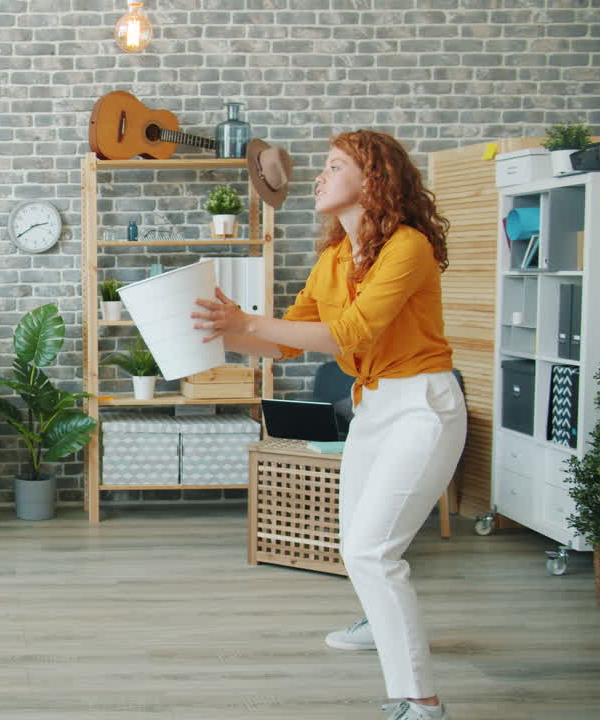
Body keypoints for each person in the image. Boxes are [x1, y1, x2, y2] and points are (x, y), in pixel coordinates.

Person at [192, 130, 466, 720]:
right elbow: (286, 341)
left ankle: (421, 702)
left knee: (372, 549)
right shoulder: (334, 260)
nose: (318, 177)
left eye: (335, 165)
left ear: (373, 180)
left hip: (422, 406)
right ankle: (378, 620)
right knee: (357, 543)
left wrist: (248, 321)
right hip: (373, 406)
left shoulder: (408, 247)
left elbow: (350, 334)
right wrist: (221, 331)